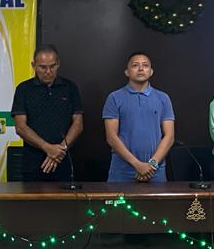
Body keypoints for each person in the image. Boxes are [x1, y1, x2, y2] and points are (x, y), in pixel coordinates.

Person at [10, 44, 84, 181]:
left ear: (58, 64)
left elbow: (78, 124)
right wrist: (47, 148)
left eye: (52, 66)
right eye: (43, 67)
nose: (48, 71)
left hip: (64, 160)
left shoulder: (70, 87)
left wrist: (59, 150)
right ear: (33, 65)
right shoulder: (23, 89)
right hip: (32, 163)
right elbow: (20, 127)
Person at [102, 52, 176, 182]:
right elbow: (111, 137)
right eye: (135, 65)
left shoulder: (163, 98)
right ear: (127, 72)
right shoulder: (114, 98)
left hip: (155, 171)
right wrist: (137, 165)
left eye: (145, 65)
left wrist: (152, 165)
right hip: (122, 171)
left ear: (151, 72)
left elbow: (169, 137)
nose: (141, 69)